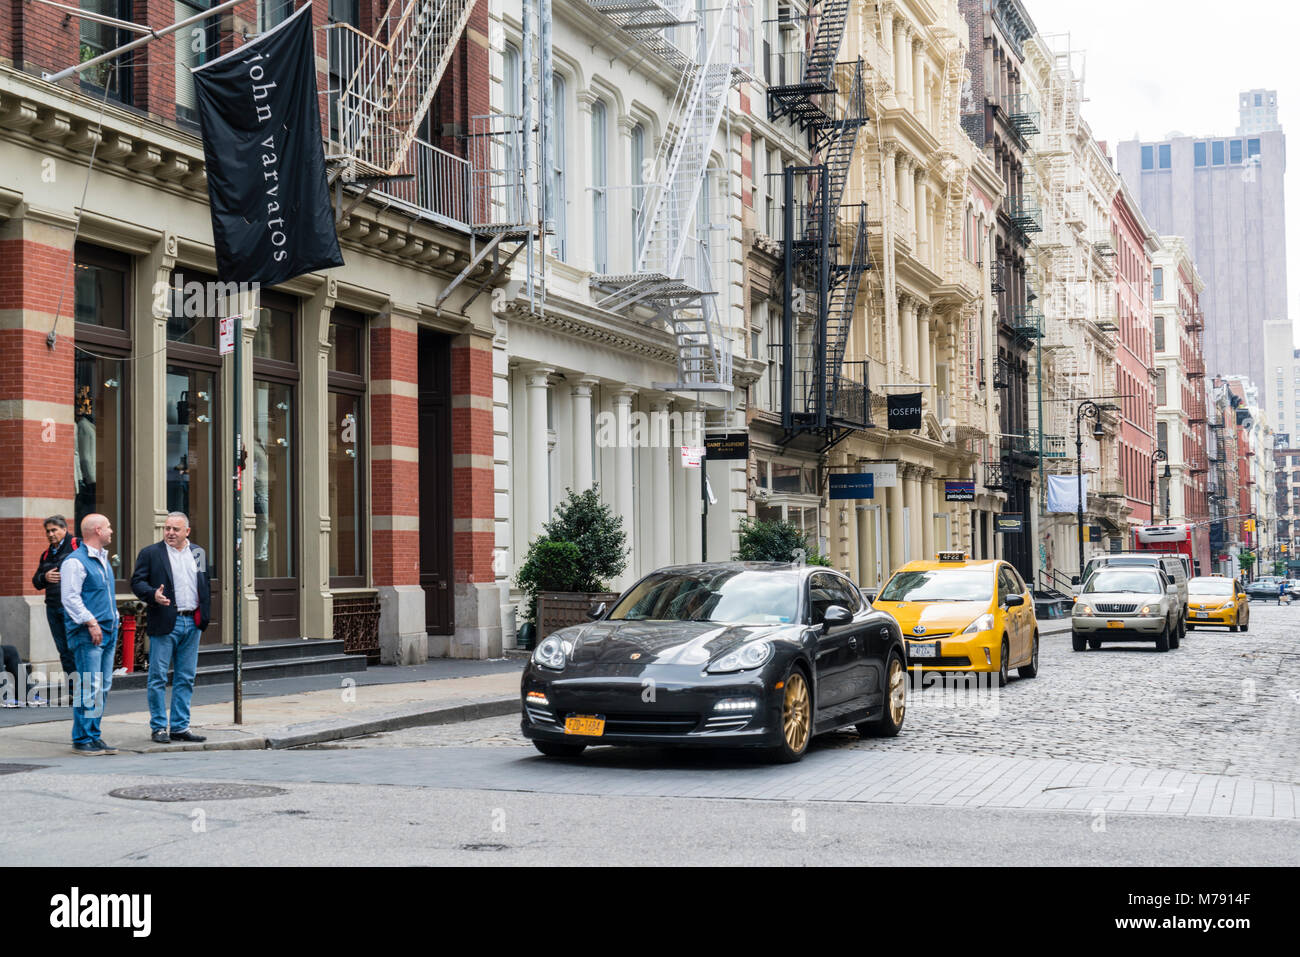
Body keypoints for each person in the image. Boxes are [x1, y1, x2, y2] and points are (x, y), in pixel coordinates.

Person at [131, 512, 210, 744]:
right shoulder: (151, 553)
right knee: (157, 677)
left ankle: (180, 726)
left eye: (175, 529)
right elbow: (137, 582)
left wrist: (204, 616)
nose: (170, 533)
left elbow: (203, 585)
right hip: (166, 621)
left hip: (192, 622)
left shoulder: (198, 553)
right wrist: (152, 595)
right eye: (167, 528)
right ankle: (158, 727)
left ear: (187, 531)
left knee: (186, 677)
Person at [60, 514, 120, 755]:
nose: (111, 531)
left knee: (102, 685)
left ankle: (93, 734)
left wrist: (112, 620)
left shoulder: (103, 560)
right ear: (97, 530)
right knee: (90, 684)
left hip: (107, 629)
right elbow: (70, 598)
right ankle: (82, 737)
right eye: (108, 527)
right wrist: (91, 622)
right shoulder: (75, 562)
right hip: (89, 633)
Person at [32, 515, 79, 683]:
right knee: (64, 651)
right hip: (52, 607)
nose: (50, 534)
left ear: (64, 529)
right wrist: (45, 577)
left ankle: (85, 690)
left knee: (75, 648)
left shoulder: (77, 546)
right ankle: (73, 690)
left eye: (54, 530)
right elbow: (36, 582)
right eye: (48, 531)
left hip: (72, 608)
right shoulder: (46, 554)